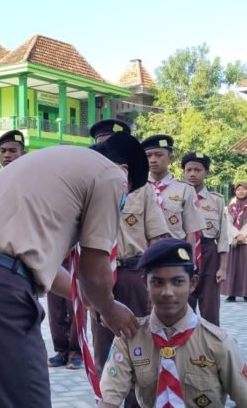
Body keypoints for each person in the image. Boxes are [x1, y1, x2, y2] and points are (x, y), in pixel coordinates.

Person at [0, 131, 148, 407]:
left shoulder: (44, 163)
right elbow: (93, 269)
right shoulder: (112, 175)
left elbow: (39, 265)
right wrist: (109, 308)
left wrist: (87, 300)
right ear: (125, 172)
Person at [97, 238, 247, 408]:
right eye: (157, 282)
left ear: (192, 283)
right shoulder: (130, 339)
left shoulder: (218, 343)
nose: (167, 292)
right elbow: (109, 398)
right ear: (144, 283)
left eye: (177, 282)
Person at [88, 121, 169, 408]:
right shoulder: (87, 184)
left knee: (138, 349)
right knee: (103, 350)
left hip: (133, 274)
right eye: (102, 144)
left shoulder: (141, 189)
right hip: (97, 276)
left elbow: (158, 235)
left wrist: (159, 280)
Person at [181, 152, 229, 325]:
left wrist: (223, 267)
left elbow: (223, 235)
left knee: (210, 306)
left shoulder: (216, 200)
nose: (192, 174)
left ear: (206, 172)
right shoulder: (177, 198)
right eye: (189, 170)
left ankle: (212, 346)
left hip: (209, 253)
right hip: (183, 252)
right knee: (184, 304)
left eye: (198, 170)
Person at [141, 135, 204, 246]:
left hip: (174, 253)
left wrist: (189, 261)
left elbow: (191, 232)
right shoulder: (138, 188)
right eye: (148, 156)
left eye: (159, 155)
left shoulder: (185, 189)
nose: (153, 160)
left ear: (171, 158)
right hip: (143, 254)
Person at [222, 182, 247, 303]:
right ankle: (231, 294)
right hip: (233, 241)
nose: (241, 192)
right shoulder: (231, 207)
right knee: (233, 268)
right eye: (238, 189)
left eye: (244, 189)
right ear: (235, 192)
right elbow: (227, 223)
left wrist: (241, 235)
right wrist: (236, 235)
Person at [46, 252, 83, 370]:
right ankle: (61, 350)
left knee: (75, 308)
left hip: (74, 258)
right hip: (53, 258)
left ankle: (75, 352)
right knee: (55, 310)